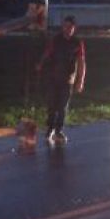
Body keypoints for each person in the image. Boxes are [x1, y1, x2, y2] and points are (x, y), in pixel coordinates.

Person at [36, 15, 86, 144]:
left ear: (74, 28)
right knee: (52, 104)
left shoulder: (77, 43)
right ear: (62, 27)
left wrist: (80, 80)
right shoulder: (56, 40)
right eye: (66, 26)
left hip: (68, 80)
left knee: (62, 107)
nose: (68, 29)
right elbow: (47, 53)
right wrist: (40, 64)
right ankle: (50, 128)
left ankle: (59, 130)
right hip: (53, 77)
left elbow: (81, 62)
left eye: (71, 27)